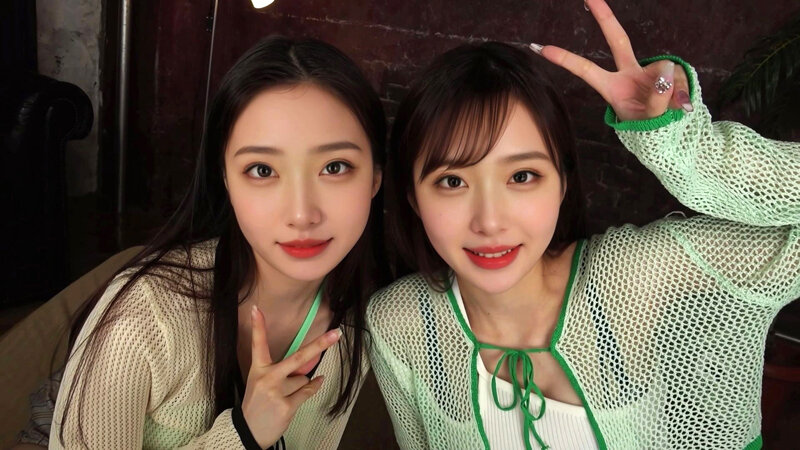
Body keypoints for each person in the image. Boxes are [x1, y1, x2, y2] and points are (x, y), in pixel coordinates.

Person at [366, 0, 799, 448]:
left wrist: (687, 150)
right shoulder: (400, 323)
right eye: (452, 181)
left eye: (522, 176)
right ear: (413, 197)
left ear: (563, 183)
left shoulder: (635, 278)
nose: (489, 222)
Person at [27, 35, 387, 449]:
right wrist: (244, 435)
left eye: (335, 167)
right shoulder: (144, 318)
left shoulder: (363, 320)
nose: (302, 214)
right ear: (225, 179)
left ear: (375, 178)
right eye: (262, 170)